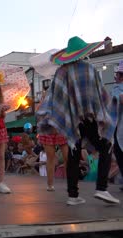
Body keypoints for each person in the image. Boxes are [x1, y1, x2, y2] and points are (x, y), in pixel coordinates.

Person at [38, 36, 119, 205]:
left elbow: (55, 97)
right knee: (106, 146)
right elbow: (99, 94)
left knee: (73, 153)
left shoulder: (61, 72)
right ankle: (102, 188)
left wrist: (50, 115)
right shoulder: (88, 68)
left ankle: (73, 195)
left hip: (72, 119)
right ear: (82, 52)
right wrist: (110, 105)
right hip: (88, 117)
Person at [36, 85, 68, 191]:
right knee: (50, 157)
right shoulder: (44, 102)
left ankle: (71, 183)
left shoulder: (64, 100)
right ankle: (50, 184)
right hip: (48, 130)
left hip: (61, 129)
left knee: (67, 157)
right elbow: (39, 115)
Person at [110, 61, 123, 190]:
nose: (116, 78)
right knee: (119, 154)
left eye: (118, 75)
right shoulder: (116, 88)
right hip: (118, 127)